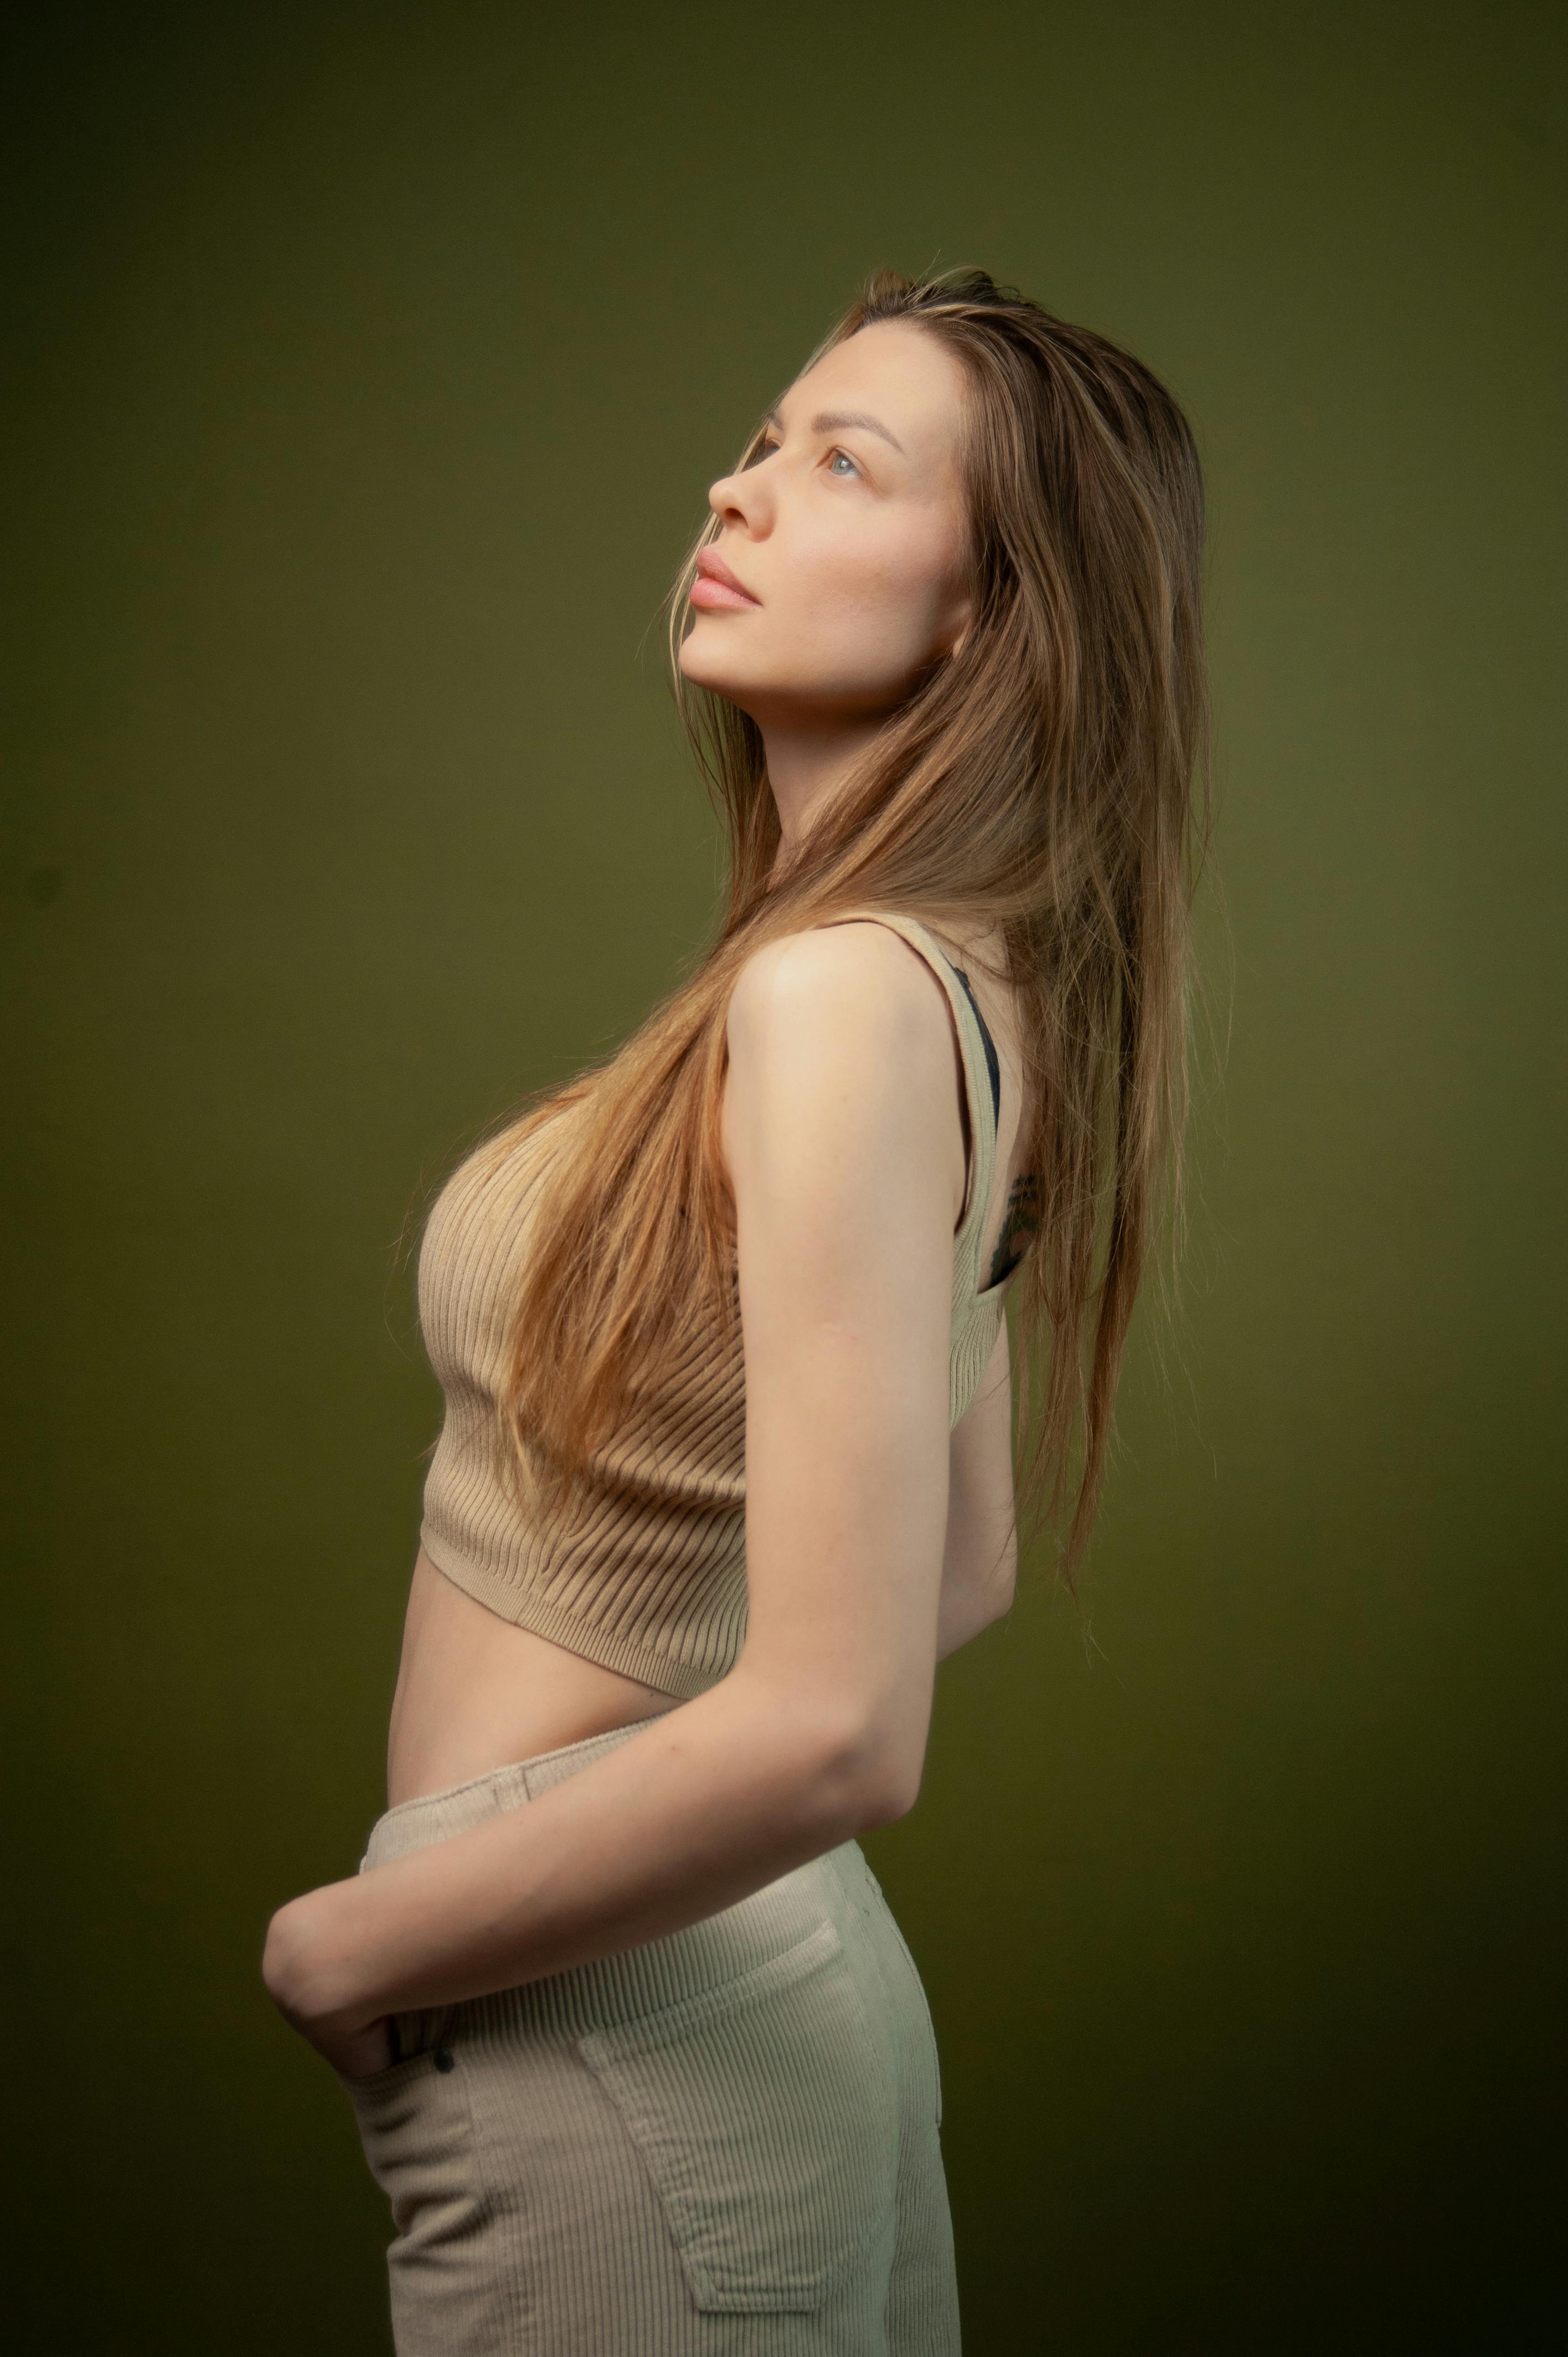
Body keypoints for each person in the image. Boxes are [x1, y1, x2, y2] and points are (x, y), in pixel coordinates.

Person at [261, 265, 1210, 2354]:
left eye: (842, 461)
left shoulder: (838, 998)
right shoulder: (963, 993)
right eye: (765, 438)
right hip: (760, 1980)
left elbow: (852, 1723)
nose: (742, 485)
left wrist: (354, 1946)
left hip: (606, 2013)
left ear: (988, 614)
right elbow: (953, 1564)